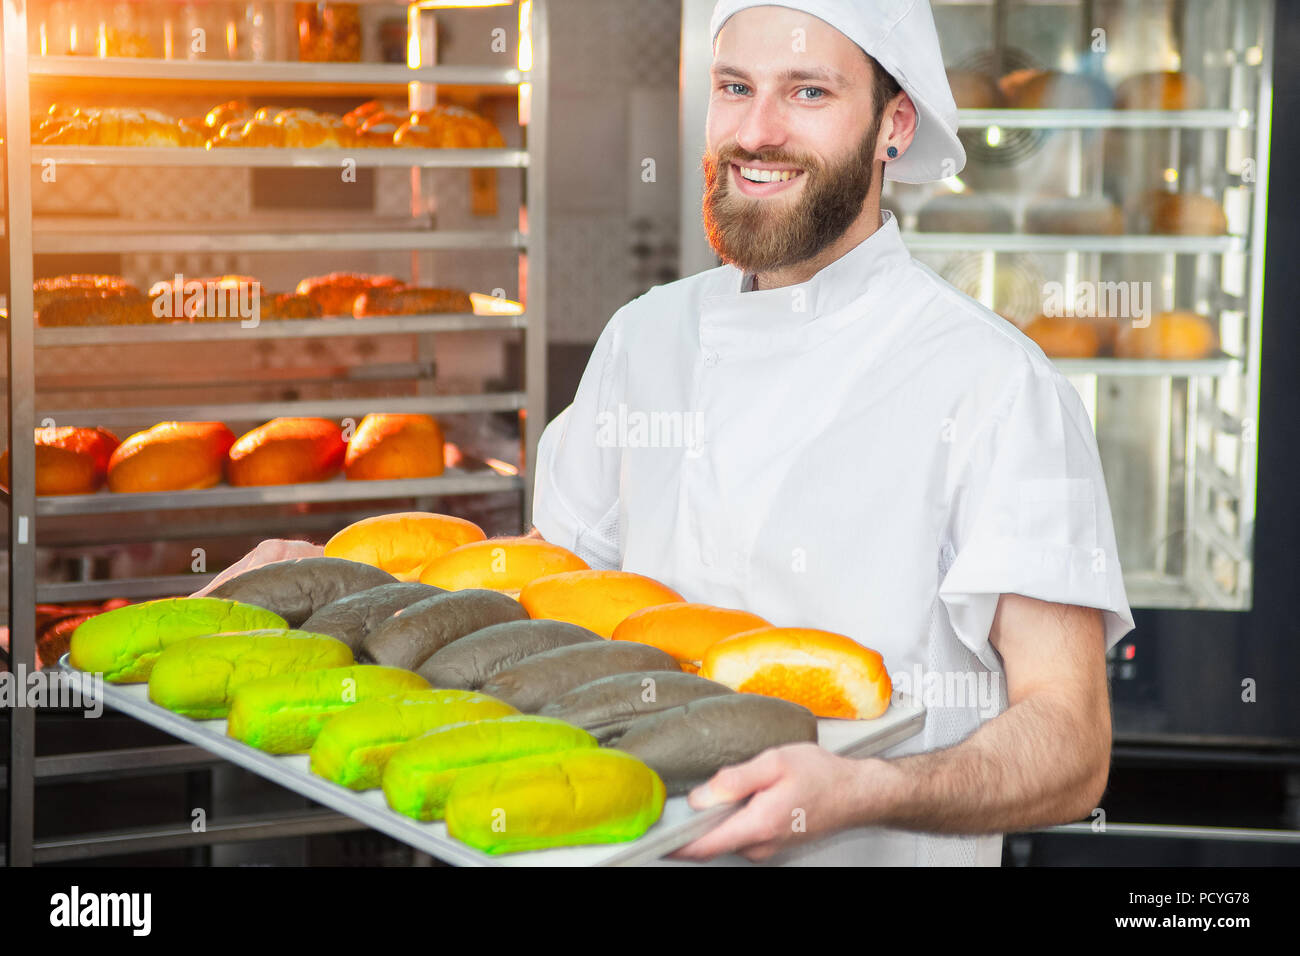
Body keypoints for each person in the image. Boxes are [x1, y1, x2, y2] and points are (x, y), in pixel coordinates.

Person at [207, 0, 1134, 866]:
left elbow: (1070, 742)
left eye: (808, 92)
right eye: (735, 87)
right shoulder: (644, 335)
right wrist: (339, 584)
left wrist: (862, 788)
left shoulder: (995, 384)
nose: (757, 131)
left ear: (895, 124)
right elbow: (548, 587)